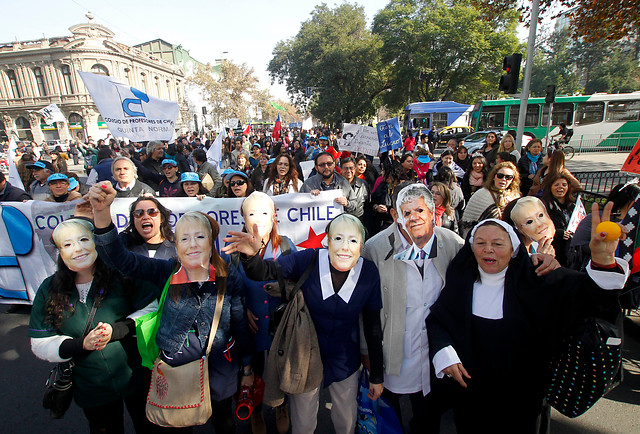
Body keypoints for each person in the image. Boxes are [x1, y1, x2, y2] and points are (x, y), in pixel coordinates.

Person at [426, 209, 629, 432]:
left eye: (498, 243)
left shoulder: (539, 281)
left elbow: (593, 300)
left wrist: (603, 261)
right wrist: (443, 352)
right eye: (480, 242)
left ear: (514, 249)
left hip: (523, 398)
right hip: (470, 396)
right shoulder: (460, 283)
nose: (488, 249)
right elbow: (438, 320)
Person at [88, 182, 254, 434]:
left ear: (211, 242)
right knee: (178, 425)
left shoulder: (228, 276)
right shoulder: (166, 271)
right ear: (176, 245)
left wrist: (247, 368)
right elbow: (119, 259)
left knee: (222, 420)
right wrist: (101, 213)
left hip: (220, 365)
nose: (193, 244)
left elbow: (240, 324)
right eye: (184, 238)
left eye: (200, 237)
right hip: (176, 367)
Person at [222, 213, 384, 434]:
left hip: (345, 359)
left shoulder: (369, 273)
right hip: (305, 355)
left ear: (362, 245)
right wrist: (251, 257)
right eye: (338, 239)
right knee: (303, 424)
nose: (345, 246)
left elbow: (373, 326)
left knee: (346, 422)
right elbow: (267, 272)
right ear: (327, 240)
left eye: (353, 240)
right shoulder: (309, 260)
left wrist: (376, 376)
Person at [28, 219, 158, 433]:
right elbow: (40, 342)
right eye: (68, 244)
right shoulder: (49, 289)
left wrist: (116, 330)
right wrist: (81, 344)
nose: (77, 248)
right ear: (59, 251)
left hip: (135, 375)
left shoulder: (122, 274)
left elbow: (151, 309)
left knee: (149, 426)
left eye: (83, 239)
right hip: (91, 386)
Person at [363, 183, 465, 432]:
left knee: (428, 416)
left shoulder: (452, 243)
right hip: (391, 351)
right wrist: (366, 352)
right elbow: (365, 308)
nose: (414, 217)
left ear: (431, 211)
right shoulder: (375, 249)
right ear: (395, 215)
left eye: (420, 209)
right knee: (389, 414)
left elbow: (487, 262)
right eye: (406, 212)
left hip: (433, 352)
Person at [232, 192, 296, 434]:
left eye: (264, 213)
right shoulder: (236, 249)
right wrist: (242, 307)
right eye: (251, 214)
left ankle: (282, 406)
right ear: (243, 218)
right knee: (253, 370)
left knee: (283, 368)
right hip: (253, 325)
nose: (258, 220)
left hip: (281, 323)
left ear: (274, 215)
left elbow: (299, 281)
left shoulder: (287, 246)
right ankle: (256, 412)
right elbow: (230, 287)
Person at [461, 162, 521, 236]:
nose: (504, 179)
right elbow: (467, 223)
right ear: (493, 177)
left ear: (512, 180)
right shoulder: (481, 195)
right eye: (500, 176)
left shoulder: (515, 198)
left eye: (508, 177)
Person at [120, 195, 177, 260]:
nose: (146, 217)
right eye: (139, 213)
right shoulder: (123, 245)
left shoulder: (178, 246)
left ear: (161, 219)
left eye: (152, 212)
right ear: (134, 221)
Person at [340, 157, 369, 222]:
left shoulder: (363, 184)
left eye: (351, 168)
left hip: (358, 222)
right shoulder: (335, 184)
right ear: (341, 169)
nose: (348, 171)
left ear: (355, 169)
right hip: (341, 222)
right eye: (345, 168)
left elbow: (367, 205)